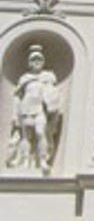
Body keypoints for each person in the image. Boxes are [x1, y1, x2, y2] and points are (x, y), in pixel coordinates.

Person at [7, 45, 60, 175]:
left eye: (39, 60)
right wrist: (15, 114)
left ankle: (42, 160)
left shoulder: (48, 77)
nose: (37, 62)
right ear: (29, 63)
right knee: (27, 136)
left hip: (41, 110)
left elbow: (53, 94)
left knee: (40, 132)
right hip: (26, 109)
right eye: (34, 60)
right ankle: (25, 161)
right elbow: (18, 97)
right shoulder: (25, 78)